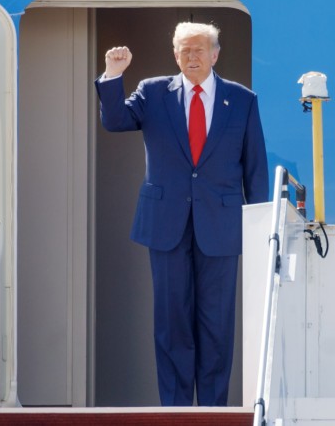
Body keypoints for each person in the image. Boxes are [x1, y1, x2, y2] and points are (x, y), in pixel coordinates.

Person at [95, 22, 269, 406]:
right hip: (166, 225)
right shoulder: (153, 92)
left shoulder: (241, 100)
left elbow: (255, 168)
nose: (192, 57)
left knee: (216, 327)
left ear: (215, 55)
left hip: (222, 228)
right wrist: (112, 76)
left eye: (199, 50)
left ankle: (212, 412)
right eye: (184, 51)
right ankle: (174, 413)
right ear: (175, 55)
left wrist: (260, 230)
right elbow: (115, 121)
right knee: (172, 324)